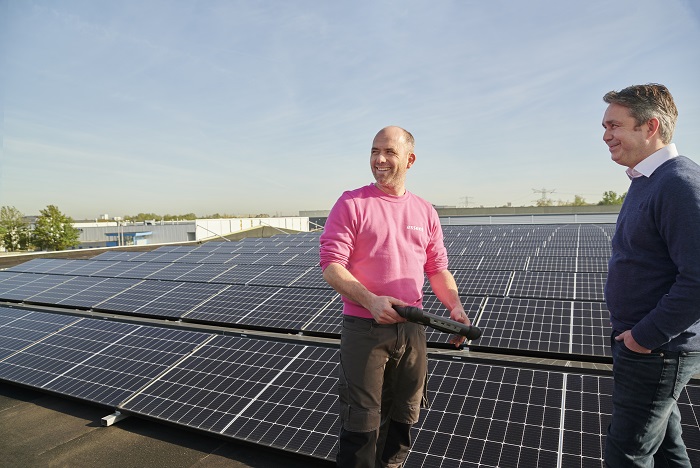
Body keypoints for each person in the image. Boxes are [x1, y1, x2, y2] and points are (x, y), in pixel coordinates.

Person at [319, 126, 470, 467]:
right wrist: (371, 300)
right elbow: (331, 265)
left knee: (404, 419)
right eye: (374, 151)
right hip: (365, 328)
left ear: (410, 159)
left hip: (413, 329)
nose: (379, 159)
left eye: (389, 152)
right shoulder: (352, 203)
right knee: (362, 425)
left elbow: (437, 269)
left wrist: (454, 305)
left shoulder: (425, 211)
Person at [602, 84, 700, 467]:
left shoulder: (679, 184)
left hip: (657, 350)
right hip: (648, 347)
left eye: (615, 125)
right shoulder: (647, 180)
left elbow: (697, 279)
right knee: (664, 449)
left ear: (650, 126)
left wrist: (643, 339)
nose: (606, 135)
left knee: (626, 454)